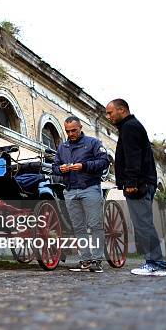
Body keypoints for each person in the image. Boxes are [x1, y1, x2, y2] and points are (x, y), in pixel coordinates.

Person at [105, 99, 166, 276]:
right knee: (143, 224)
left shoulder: (129, 127)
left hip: (139, 184)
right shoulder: (130, 126)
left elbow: (133, 157)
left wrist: (131, 182)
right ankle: (154, 263)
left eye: (110, 112)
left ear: (122, 110)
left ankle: (156, 264)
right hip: (143, 182)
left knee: (143, 225)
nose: (108, 116)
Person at [53, 116, 109, 272]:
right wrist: (60, 169)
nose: (71, 134)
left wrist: (84, 166)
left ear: (80, 127)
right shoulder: (62, 147)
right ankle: (85, 260)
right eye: (67, 131)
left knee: (95, 225)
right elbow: (54, 166)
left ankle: (97, 261)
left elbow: (104, 162)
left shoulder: (93, 143)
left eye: (73, 130)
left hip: (90, 188)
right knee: (78, 228)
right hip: (70, 190)